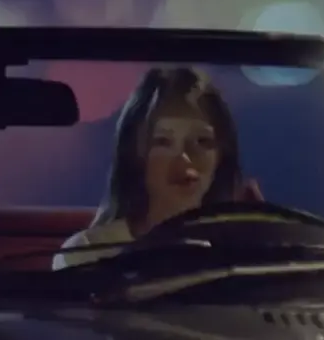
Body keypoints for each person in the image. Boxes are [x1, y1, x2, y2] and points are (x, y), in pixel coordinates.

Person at [52, 66, 261, 270]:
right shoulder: (86, 253)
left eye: (202, 141)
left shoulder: (239, 253)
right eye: (163, 142)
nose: (185, 158)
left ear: (222, 156)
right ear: (136, 154)